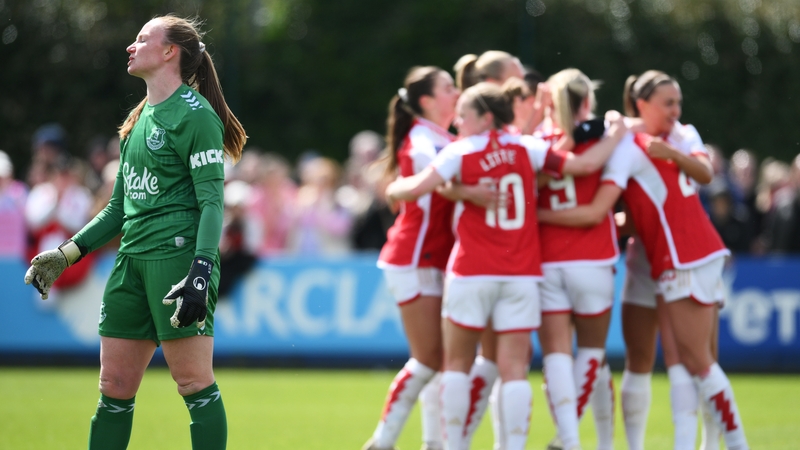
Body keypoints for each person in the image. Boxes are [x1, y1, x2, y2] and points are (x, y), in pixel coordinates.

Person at [23, 14, 246, 450]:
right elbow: (117, 210)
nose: (131, 45)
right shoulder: (137, 120)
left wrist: (200, 271)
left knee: (193, 382)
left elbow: (212, 205)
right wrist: (66, 253)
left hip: (178, 262)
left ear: (169, 52)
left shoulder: (196, 117)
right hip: (130, 263)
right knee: (114, 384)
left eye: (142, 38)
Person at [385, 82, 624, 450]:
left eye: (464, 115)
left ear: (485, 117)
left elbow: (418, 188)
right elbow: (584, 164)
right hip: (520, 274)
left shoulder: (461, 150)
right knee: (514, 370)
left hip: (471, 272)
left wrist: (393, 189)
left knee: (457, 365)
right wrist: (617, 134)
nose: (458, 123)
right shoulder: (528, 148)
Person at [537, 70, 749, 450]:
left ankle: (727, 443)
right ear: (642, 105)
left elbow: (603, 206)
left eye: (677, 102)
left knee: (694, 360)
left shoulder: (661, 139)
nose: (676, 111)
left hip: (682, 255)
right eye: (668, 103)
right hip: (654, 255)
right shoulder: (630, 141)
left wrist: (536, 217)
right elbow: (631, 213)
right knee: (655, 358)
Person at [362, 65, 459, 450]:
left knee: (440, 359)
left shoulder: (443, 136)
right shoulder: (423, 138)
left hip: (432, 258)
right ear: (427, 101)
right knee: (429, 357)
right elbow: (429, 172)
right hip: (414, 257)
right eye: (448, 87)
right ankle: (382, 441)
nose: (456, 93)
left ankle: (433, 443)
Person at [535, 68, 626, 450]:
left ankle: (569, 439)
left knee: (556, 354)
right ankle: (577, 436)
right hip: (592, 258)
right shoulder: (607, 140)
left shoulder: (539, 142)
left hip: (546, 259)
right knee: (592, 352)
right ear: (588, 101)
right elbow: (597, 205)